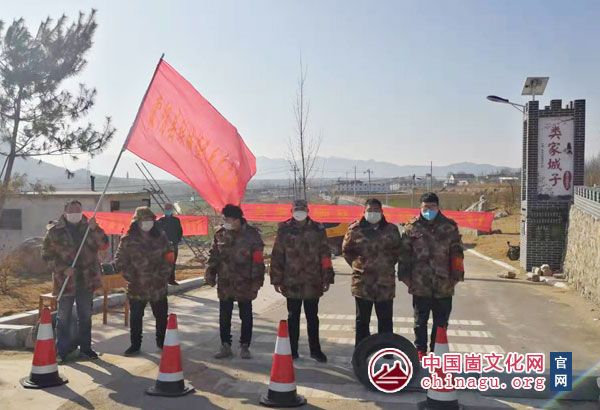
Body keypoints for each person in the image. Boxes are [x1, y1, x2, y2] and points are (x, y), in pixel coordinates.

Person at [398, 192, 465, 360]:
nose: (429, 210)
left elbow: (457, 253)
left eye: (432, 207)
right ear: (420, 207)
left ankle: (437, 350)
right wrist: (405, 277)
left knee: (441, 321)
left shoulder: (449, 226)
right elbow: (404, 255)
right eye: (425, 207)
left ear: (438, 207)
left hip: (444, 282)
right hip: (420, 283)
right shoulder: (411, 227)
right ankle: (420, 350)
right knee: (420, 320)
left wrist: (456, 277)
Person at [42, 200, 109, 362]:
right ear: (65, 212)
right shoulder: (55, 232)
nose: (75, 213)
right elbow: (46, 256)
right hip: (65, 281)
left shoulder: (90, 227)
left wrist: (95, 229)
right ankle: (62, 351)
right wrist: (62, 268)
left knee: (85, 316)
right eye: (71, 210)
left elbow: (104, 245)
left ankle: (86, 349)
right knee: (63, 318)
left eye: (78, 210)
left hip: (87, 280)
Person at [270, 199, 334, 362]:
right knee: (293, 316)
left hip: (313, 280)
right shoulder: (284, 229)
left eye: (302, 209)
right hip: (292, 280)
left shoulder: (318, 229)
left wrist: (327, 276)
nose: (300, 212)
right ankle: (292, 350)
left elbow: (325, 254)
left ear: (307, 210)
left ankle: (315, 350)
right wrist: (276, 278)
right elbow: (277, 255)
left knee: (313, 317)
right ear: (291, 211)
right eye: (296, 209)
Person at [205, 204, 265, 359]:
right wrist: (210, 273)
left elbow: (258, 260)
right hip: (225, 283)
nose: (225, 221)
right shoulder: (220, 234)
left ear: (237, 220)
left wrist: (257, 281)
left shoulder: (252, 235)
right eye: (224, 219)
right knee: (224, 316)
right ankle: (225, 345)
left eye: (228, 219)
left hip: (245, 282)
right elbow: (214, 255)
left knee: (246, 315)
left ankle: (245, 346)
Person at [114, 206, 175, 356]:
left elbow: (169, 257)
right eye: (144, 220)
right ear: (137, 222)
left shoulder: (161, 237)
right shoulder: (128, 240)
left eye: (150, 219)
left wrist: (163, 275)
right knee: (136, 317)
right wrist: (132, 277)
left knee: (161, 316)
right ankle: (135, 345)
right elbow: (119, 261)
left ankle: (162, 342)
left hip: (158, 285)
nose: (148, 222)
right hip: (137, 286)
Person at [342, 198, 401, 347]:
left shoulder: (391, 230)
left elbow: (398, 251)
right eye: (370, 210)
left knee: (385, 320)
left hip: (385, 283)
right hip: (362, 283)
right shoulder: (355, 229)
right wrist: (358, 265)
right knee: (362, 321)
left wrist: (386, 264)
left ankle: (386, 351)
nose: (373, 213)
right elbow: (347, 251)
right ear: (364, 212)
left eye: (376, 210)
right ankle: (362, 352)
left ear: (381, 211)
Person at [156, 203, 183, 286]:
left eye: (170, 209)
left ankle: (171, 279)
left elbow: (180, 231)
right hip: (163, 245)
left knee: (172, 262)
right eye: (167, 209)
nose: (168, 210)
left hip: (173, 244)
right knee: (163, 263)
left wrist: (177, 240)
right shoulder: (160, 221)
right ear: (164, 210)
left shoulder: (176, 220)